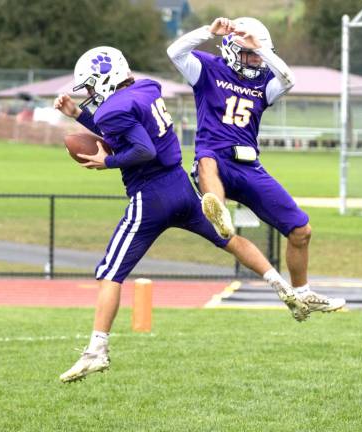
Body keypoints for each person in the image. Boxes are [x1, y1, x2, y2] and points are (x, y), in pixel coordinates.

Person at [54, 46, 310, 383]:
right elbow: (129, 129)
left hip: (151, 196)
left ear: (104, 79)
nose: (89, 95)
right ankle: (282, 287)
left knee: (110, 273)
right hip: (180, 187)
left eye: (89, 86)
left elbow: (140, 148)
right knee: (229, 239)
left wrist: (108, 161)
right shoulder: (146, 88)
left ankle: (96, 350)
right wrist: (80, 116)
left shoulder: (111, 109)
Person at [167, 17, 346, 315]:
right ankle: (219, 213)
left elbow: (289, 79)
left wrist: (261, 48)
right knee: (207, 161)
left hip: (249, 165)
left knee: (302, 230)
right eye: (248, 53)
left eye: (256, 54)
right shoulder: (208, 69)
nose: (254, 60)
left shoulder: (264, 81)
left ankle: (303, 294)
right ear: (231, 50)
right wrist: (208, 33)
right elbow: (175, 52)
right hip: (215, 156)